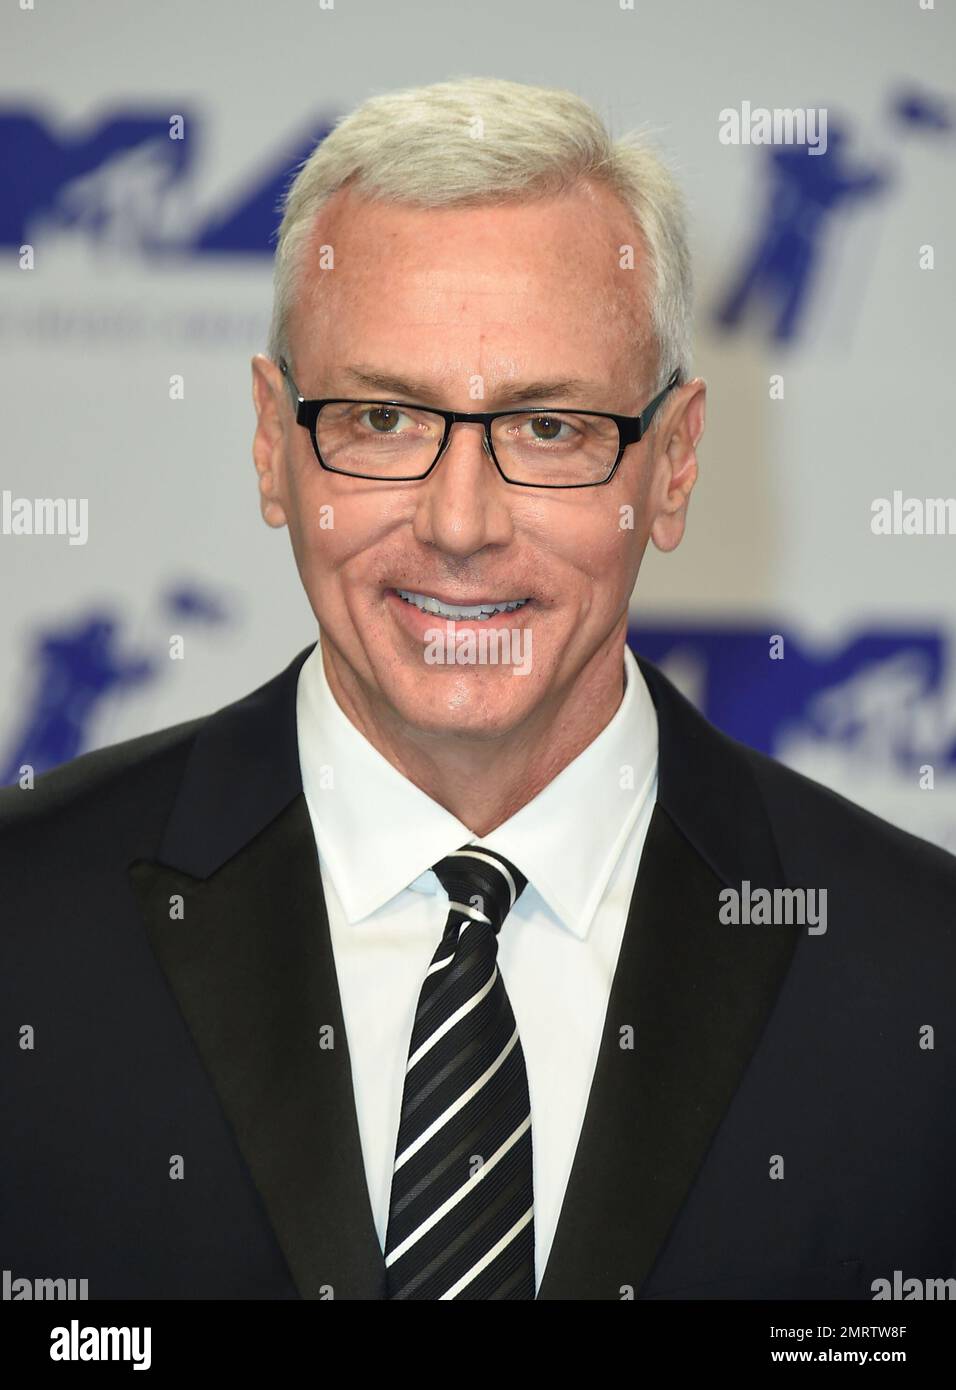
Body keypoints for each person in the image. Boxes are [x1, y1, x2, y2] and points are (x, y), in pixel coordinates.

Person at [2, 76, 954, 1303]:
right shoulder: (25, 926)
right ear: (268, 444)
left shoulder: (917, 977)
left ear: (671, 467)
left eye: (548, 427)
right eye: (385, 417)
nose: (458, 525)